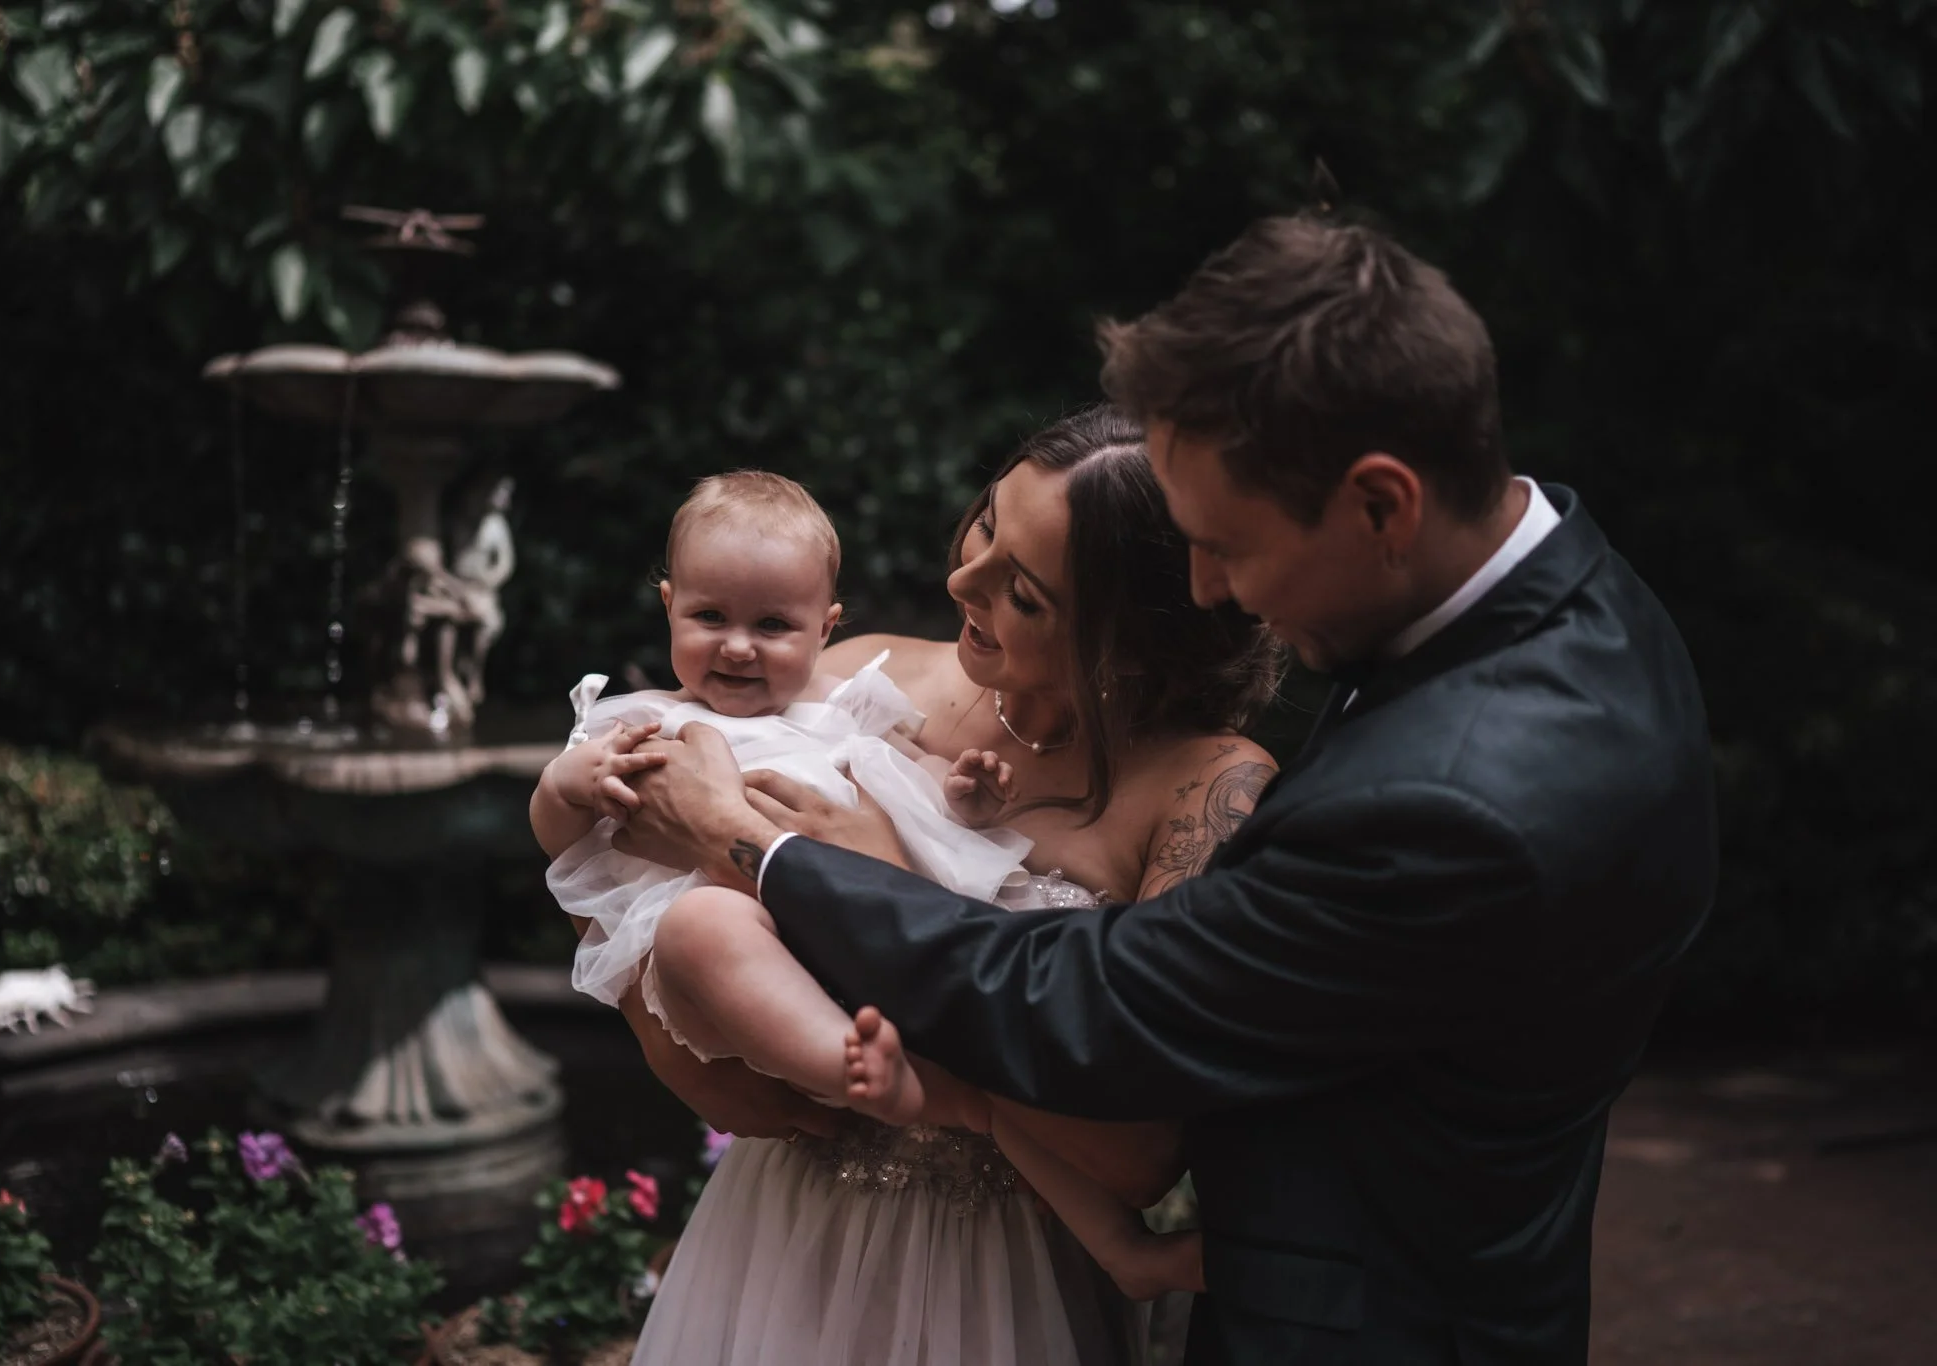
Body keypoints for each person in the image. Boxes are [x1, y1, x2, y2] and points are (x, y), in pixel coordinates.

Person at [614, 214, 1720, 1365]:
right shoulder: (1575, 610)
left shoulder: (1453, 795)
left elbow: (1111, 1023)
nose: (1209, 588)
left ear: (1382, 505)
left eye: (1225, 542)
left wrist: (780, 854)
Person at [571, 413, 1281, 1364]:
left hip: (1010, 1265)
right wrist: (666, 1041)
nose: (961, 580)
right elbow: (657, 915)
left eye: (1020, 591)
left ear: (1131, 640)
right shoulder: (857, 677)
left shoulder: (1208, 787)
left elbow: (1140, 1151)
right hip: (787, 1223)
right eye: (985, 525)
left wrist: (880, 884)